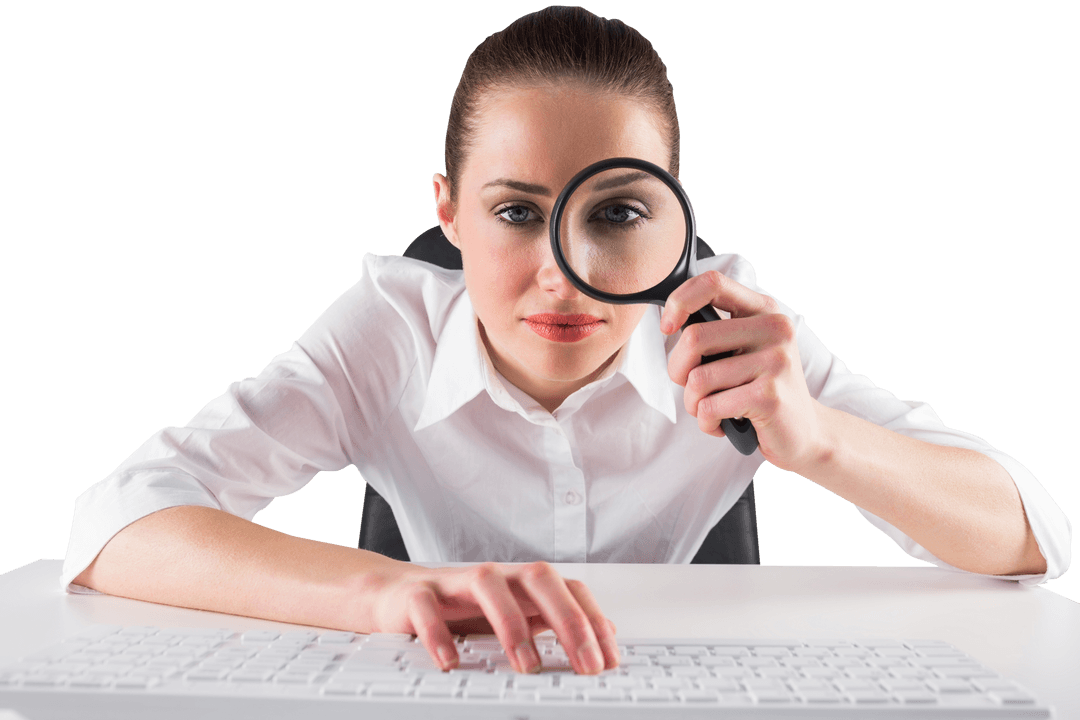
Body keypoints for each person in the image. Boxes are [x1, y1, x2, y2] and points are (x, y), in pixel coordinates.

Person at [63, 6, 1070, 677]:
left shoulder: (728, 335)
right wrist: (392, 591)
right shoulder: (391, 331)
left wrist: (821, 438)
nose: (560, 268)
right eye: (514, 212)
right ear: (449, 214)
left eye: (617, 213)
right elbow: (116, 522)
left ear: (675, 220)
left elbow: (1035, 539)